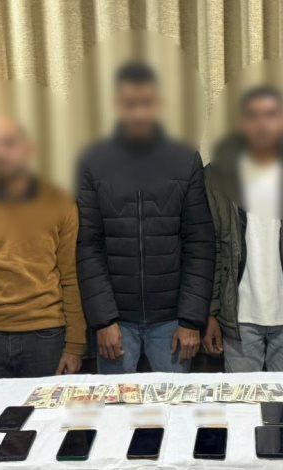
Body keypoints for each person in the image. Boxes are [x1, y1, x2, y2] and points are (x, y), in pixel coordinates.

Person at [77, 62, 215, 374]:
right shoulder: (93, 162)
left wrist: (191, 320)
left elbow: (200, 244)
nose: (138, 113)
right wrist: (103, 320)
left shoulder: (185, 159)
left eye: (146, 103)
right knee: (115, 404)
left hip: (172, 322)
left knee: (174, 403)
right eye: (130, 104)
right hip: (116, 322)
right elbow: (88, 246)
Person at [202, 86, 283, 372]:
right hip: (238, 320)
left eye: (271, 115)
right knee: (242, 400)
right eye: (253, 116)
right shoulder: (215, 177)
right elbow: (209, 249)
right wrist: (211, 313)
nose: (262, 124)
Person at [0, 117, 85, 379]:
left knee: (46, 409)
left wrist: (75, 345)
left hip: (45, 337)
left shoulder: (61, 204)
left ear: (28, 148)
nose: (0, 153)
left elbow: (70, 277)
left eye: (9, 143)